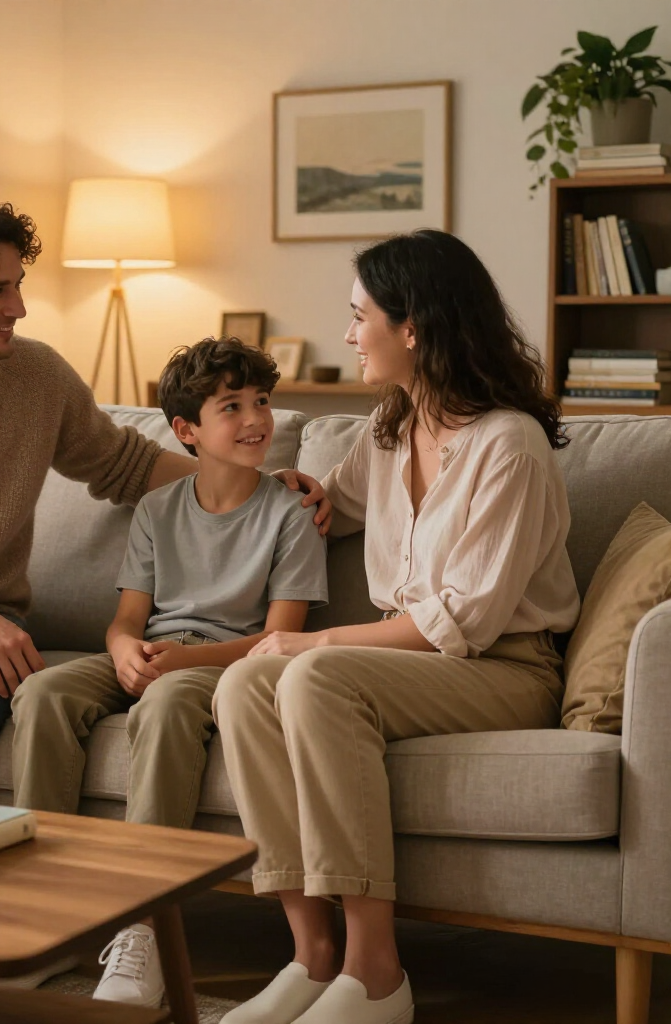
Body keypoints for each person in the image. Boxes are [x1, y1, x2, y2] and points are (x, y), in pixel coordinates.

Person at [0, 190, 329, 804]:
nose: (18, 306)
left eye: (18, 284)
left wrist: (253, 482)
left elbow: (125, 464)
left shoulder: (37, 376)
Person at [214, 230, 581, 1024]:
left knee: (312, 673)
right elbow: (335, 506)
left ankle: (376, 973)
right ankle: (311, 957)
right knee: (245, 682)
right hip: (420, 659)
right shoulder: (386, 430)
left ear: (412, 327)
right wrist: (290, 493)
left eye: (359, 317)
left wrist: (313, 640)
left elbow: (465, 621)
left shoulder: (507, 446)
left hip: (504, 669)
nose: (349, 335)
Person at [10, 337, 329, 1008]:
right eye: (231, 406)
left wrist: (182, 661)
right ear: (186, 430)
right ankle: (45, 915)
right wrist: (124, 649)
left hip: (234, 662)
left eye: (262, 401)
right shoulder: (158, 509)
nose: (256, 420)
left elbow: (280, 637)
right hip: (158, 650)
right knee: (43, 692)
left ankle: (145, 926)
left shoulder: (290, 515)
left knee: (166, 703)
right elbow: (128, 617)